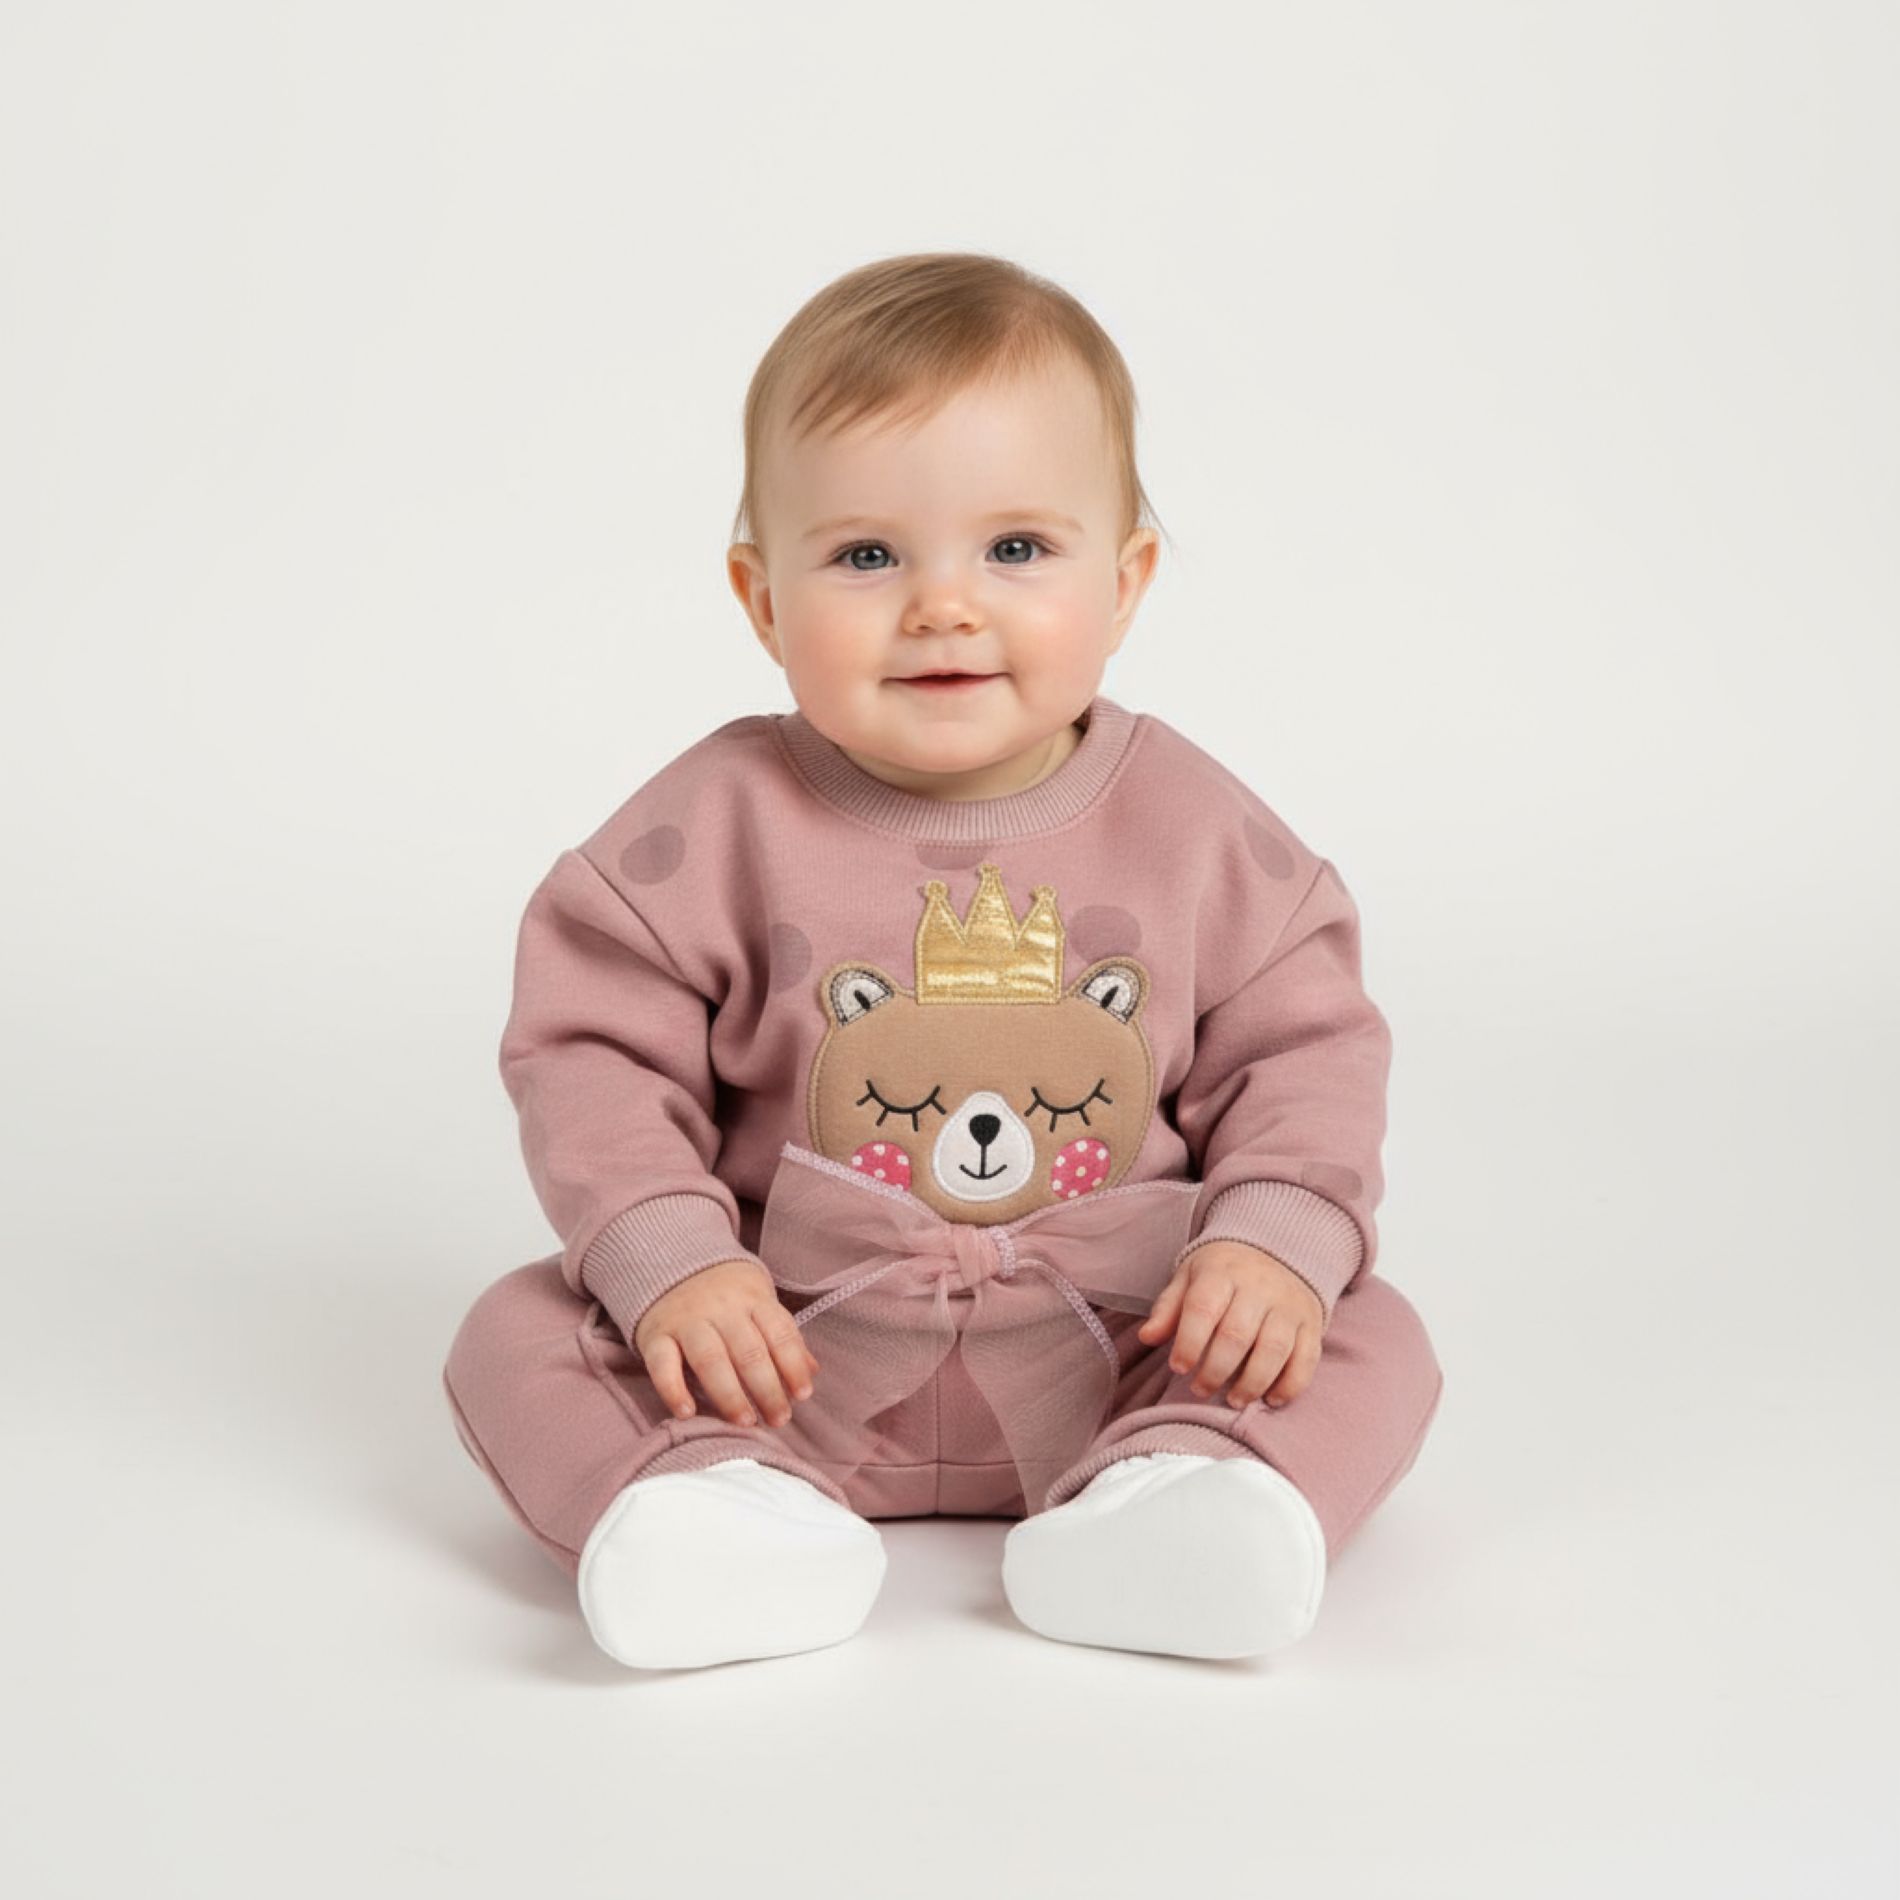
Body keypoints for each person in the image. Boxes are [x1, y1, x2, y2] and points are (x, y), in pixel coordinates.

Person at [442, 251, 1443, 1672]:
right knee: (517, 1333)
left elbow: (1308, 1050)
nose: (944, 606)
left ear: (1126, 581)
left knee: (1372, 1331)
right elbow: (592, 1056)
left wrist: (1269, 1246)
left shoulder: (1199, 833)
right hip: (778, 1354)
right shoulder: (706, 830)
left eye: (1016, 550)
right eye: (867, 557)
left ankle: (1188, 1497)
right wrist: (677, 1269)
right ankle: (713, 1513)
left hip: (1133, 1343)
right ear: (761, 599)